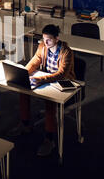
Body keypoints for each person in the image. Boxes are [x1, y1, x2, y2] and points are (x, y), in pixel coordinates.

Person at [7, 24, 75, 156]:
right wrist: (23, 73)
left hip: (62, 82)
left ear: (57, 38)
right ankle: (25, 124)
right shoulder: (42, 46)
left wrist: (42, 79)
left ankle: (49, 140)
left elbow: (62, 74)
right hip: (45, 79)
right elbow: (34, 62)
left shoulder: (66, 51)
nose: (46, 42)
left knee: (50, 102)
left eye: (49, 39)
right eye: (44, 39)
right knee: (23, 90)